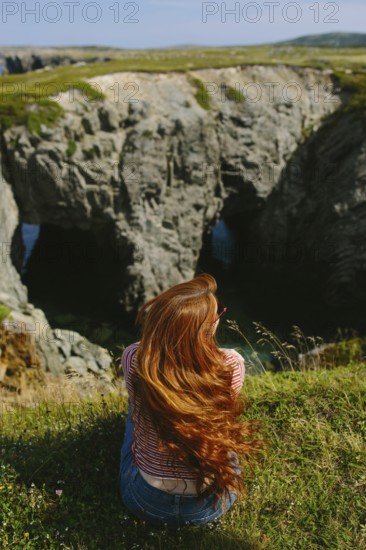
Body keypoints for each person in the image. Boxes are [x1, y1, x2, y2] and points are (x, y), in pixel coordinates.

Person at [118, 272, 264, 527]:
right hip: (208, 505)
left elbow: (154, 356)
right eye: (216, 314)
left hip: (144, 500)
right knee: (218, 429)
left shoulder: (134, 358)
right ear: (204, 328)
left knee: (136, 407)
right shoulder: (230, 364)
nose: (219, 318)